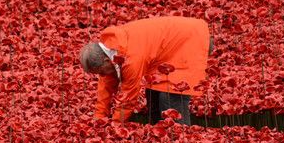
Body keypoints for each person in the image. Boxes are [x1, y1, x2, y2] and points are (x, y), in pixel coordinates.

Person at [79, 16, 212, 125]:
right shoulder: (110, 49)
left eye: (101, 72)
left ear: (107, 61)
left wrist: (115, 126)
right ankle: (160, 136)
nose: (102, 76)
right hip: (168, 48)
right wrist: (98, 117)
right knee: (153, 90)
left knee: (170, 96)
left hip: (191, 41)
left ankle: (180, 142)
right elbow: (106, 85)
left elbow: (128, 98)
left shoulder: (130, 57)